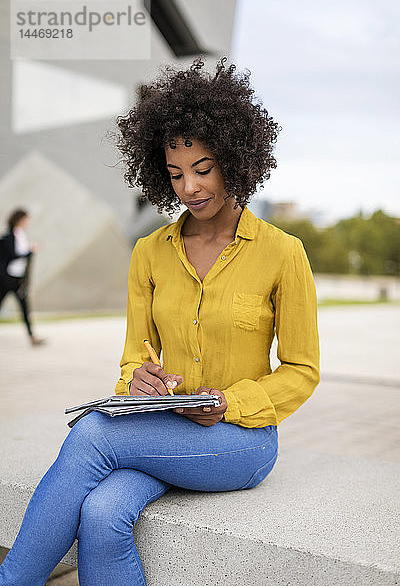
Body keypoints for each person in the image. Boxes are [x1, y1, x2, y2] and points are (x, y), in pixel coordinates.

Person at [0, 57, 320, 585]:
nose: (189, 188)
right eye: (175, 174)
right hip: (162, 429)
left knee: (93, 435)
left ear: (236, 161)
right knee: (102, 513)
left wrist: (230, 403)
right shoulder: (149, 253)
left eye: (203, 168)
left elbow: (302, 370)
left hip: (240, 441)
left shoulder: (283, 253)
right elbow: (133, 357)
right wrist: (137, 381)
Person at [0, 208, 45, 346]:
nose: (27, 222)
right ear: (19, 220)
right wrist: (29, 252)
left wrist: (28, 252)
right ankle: (32, 337)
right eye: (25, 219)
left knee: (25, 308)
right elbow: (12, 256)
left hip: (19, 279)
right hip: (6, 279)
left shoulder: (21, 236)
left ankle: (32, 337)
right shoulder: (8, 237)